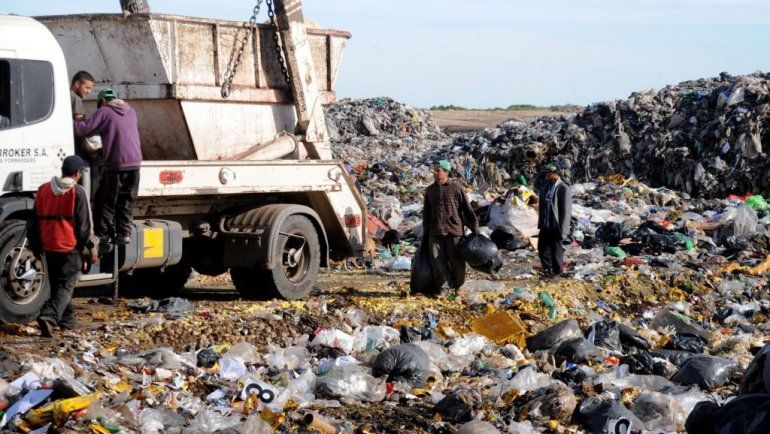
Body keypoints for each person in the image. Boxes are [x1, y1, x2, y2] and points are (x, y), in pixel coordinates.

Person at [32, 155, 97, 337]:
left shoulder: (43, 189)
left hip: (48, 246)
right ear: (77, 173)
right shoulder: (78, 192)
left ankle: (68, 321)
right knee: (66, 286)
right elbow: (85, 227)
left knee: (59, 286)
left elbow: (33, 222)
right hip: (69, 247)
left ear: (62, 170)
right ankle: (49, 317)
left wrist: (37, 247)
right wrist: (90, 250)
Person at [74, 90, 142, 245]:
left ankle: (102, 235)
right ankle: (124, 233)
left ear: (103, 100)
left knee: (105, 201)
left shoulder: (105, 111)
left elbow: (84, 129)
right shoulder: (131, 111)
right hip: (135, 164)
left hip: (117, 163)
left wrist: (69, 122)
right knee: (127, 200)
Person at [422, 160, 479, 295]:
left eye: (438, 170)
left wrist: (475, 228)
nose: (435, 173)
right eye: (434, 170)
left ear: (446, 172)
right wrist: (426, 232)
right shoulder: (430, 190)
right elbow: (426, 212)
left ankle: (459, 285)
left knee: (456, 260)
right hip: (435, 231)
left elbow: (467, 209)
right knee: (437, 261)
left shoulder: (456, 188)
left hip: (454, 230)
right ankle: (444, 287)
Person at [70, 70, 102, 201]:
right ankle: (93, 200)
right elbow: (81, 126)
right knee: (95, 163)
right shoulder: (75, 98)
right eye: (87, 87)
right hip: (77, 149)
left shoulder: (65, 95)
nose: (89, 91)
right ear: (77, 83)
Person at [536, 163, 572, 277]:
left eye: (549, 173)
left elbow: (566, 210)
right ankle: (548, 269)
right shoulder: (546, 185)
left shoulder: (563, 188)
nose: (547, 175)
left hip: (555, 224)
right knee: (542, 247)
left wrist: (563, 229)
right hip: (546, 222)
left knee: (556, 249)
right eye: (546, 173)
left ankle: (557, 271)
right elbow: (536, 183)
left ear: (556, 174)